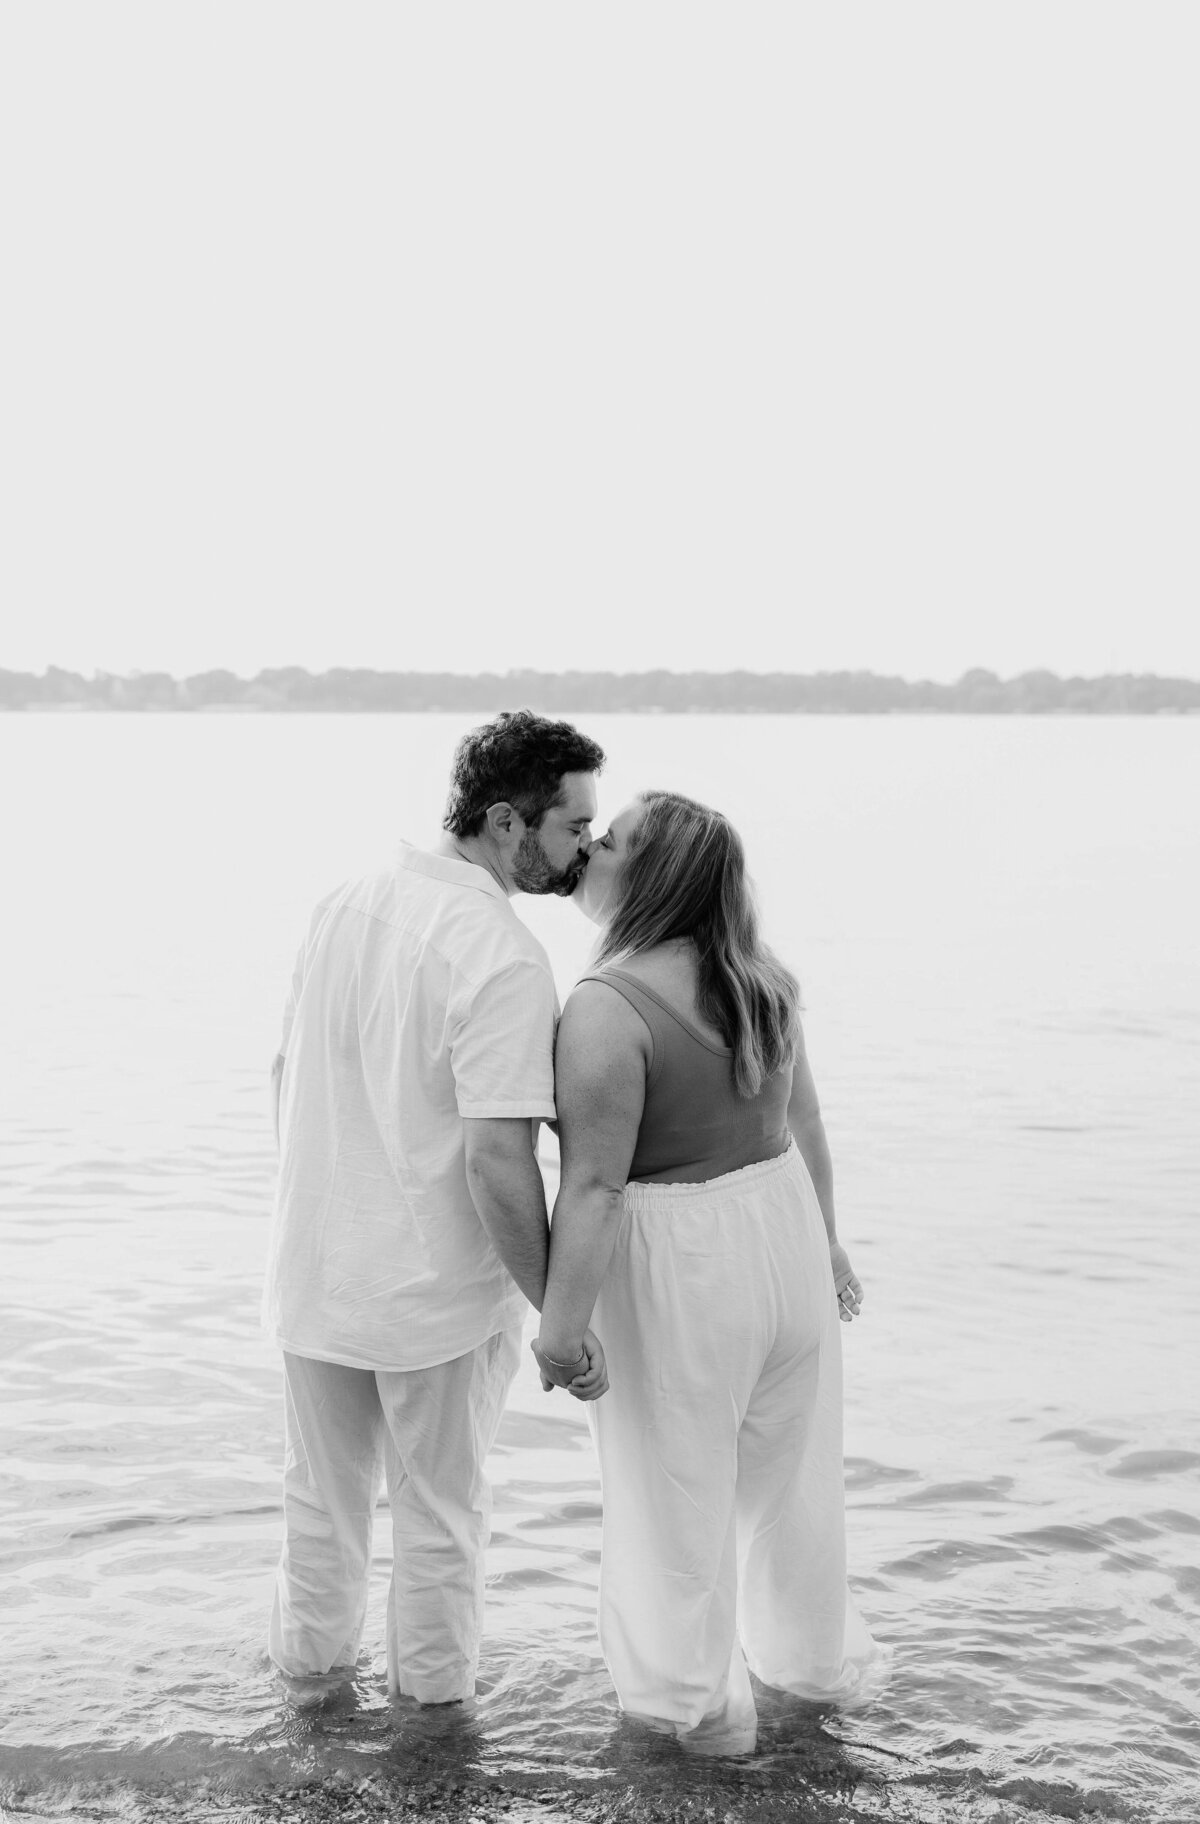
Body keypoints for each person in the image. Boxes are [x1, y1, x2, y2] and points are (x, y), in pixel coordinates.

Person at [263, 709, 608, 1708]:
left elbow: (285, 1075)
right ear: (506, 822)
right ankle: (432, 1737)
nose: (585, 850)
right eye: (573, 827)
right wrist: (556, 1312)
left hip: (314, 1270)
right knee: (440, 1520)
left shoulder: (344, 901)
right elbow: (499, 1162)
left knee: (318, 1507)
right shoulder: (501, 955)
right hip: (433, 1298)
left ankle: (308, 1719)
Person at [534, 789, 884, 1755]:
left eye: (610, 841)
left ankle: (689, 1734)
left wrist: (559, 1329)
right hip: (784, 1239)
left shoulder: (607, 1007)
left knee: (671, 1518)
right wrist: (829, 1244)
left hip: (684, 1264)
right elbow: (805, 1123)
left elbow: (595, 1188)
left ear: (651, 875)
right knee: (792, 1498)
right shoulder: (762, 980)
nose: (591, 850)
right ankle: (809, 1696)